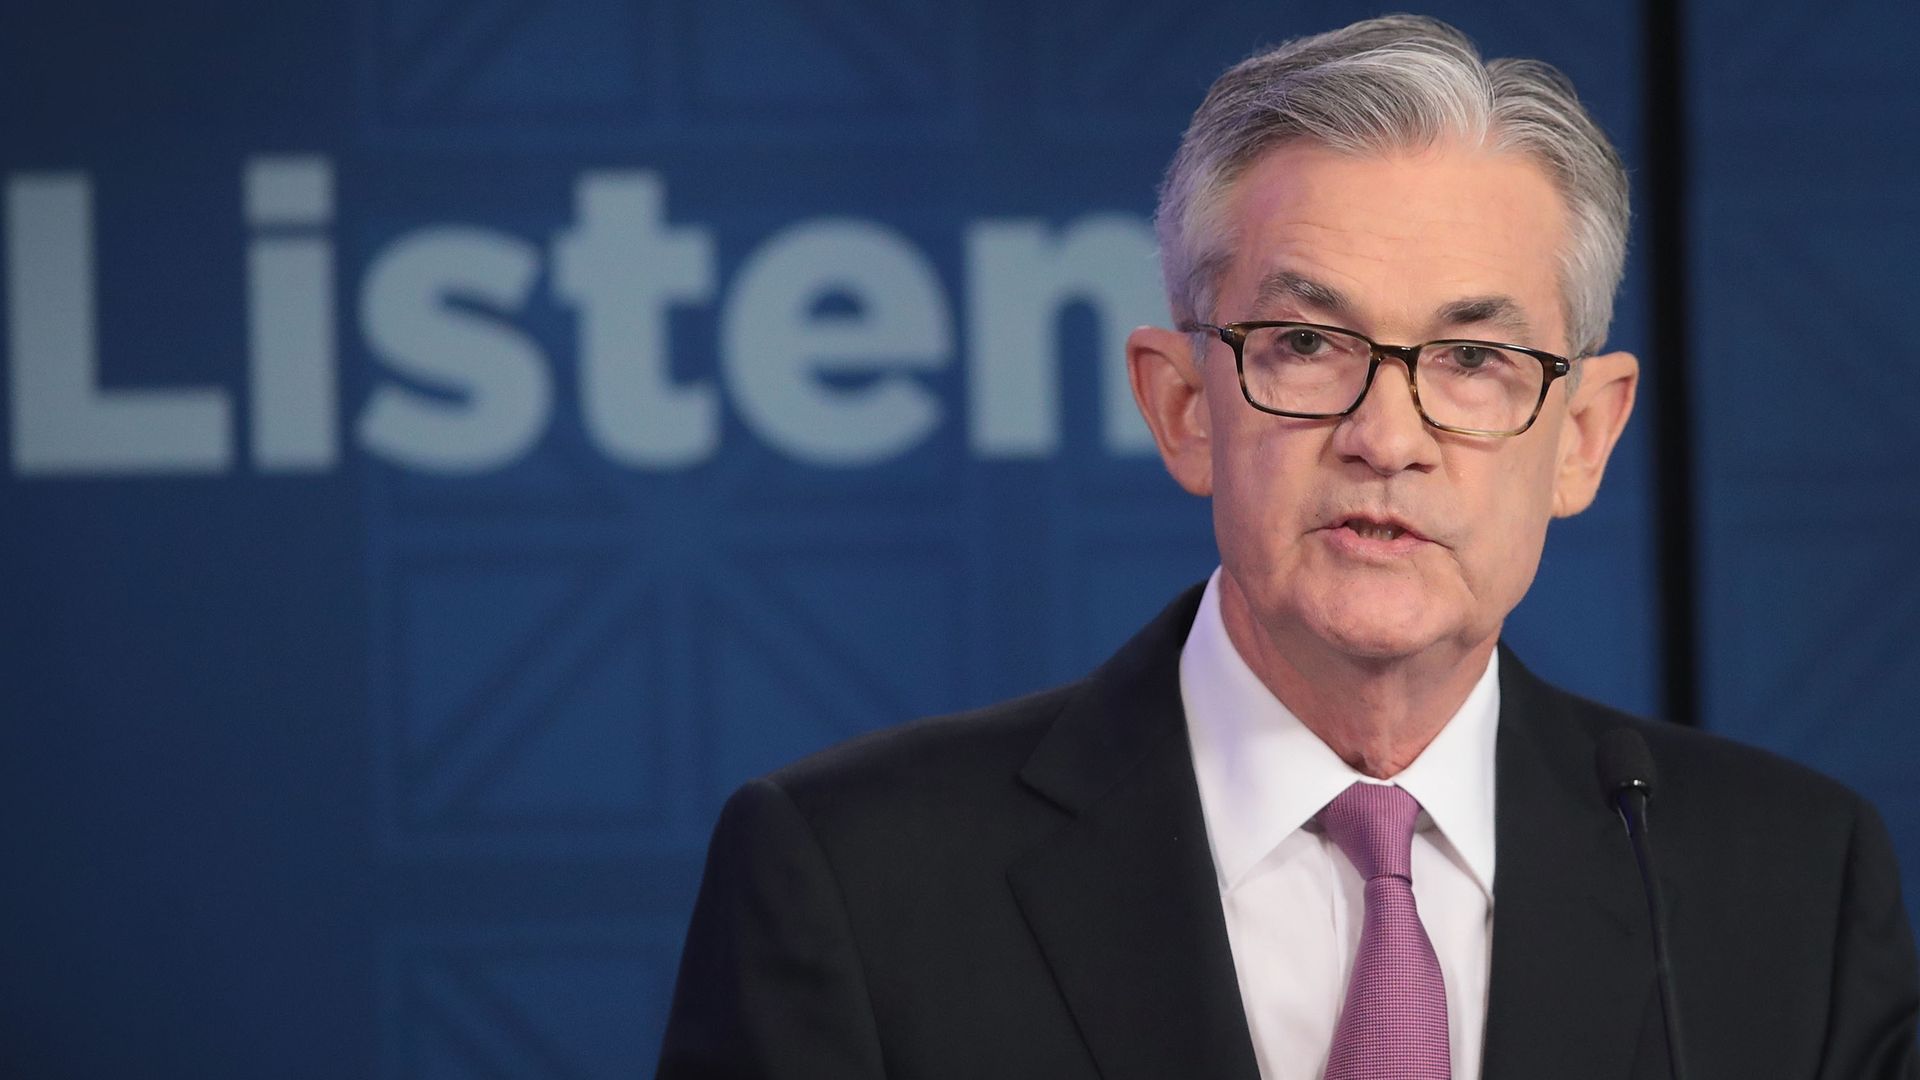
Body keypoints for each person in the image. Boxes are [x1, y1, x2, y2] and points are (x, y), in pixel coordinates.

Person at [656, 15, 1919, 1079]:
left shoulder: (1791, 887)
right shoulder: (855, 881)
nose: (1388, 438)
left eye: (1473, 360)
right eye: (1307, 345)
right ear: (1183, 406)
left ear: (1583, 436)